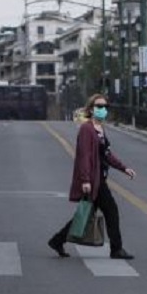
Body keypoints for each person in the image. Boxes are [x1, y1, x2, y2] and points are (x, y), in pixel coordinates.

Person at [48, 93, 137, 260]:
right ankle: (116, 249)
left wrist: (124, 168)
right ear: (90, 109)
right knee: (111, 211)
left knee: (85, 215)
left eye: (105, 107)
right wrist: (86, 180)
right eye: (99, 106)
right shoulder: (86, 129)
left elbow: (107, 155)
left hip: (99, 179)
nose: (103, 109)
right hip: (94, 181)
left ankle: (57, 240)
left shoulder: (100, 129)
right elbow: (84, 157)